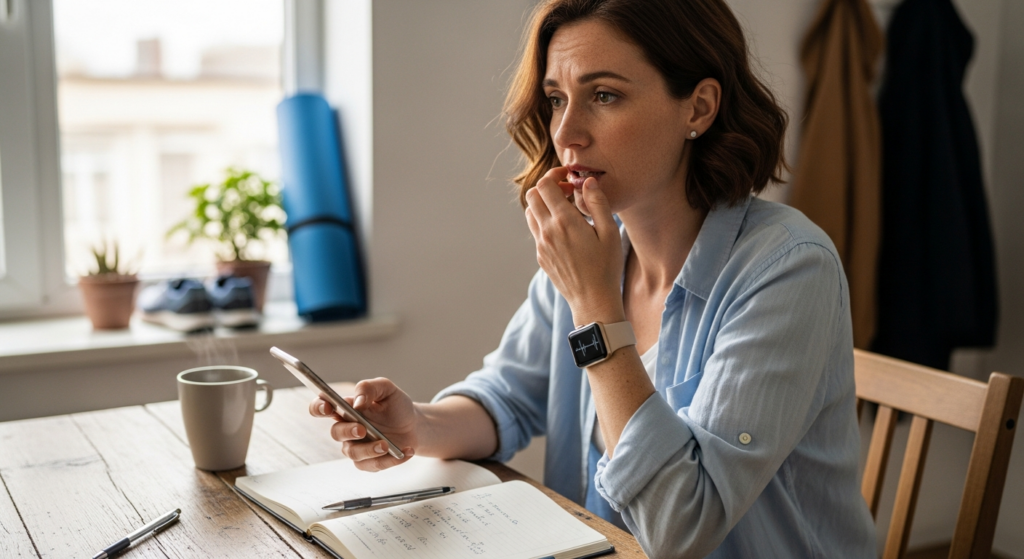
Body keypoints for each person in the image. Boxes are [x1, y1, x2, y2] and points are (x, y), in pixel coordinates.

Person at [310, 0, 877, 556]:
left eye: (604, 95)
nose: (568, 133)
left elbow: (683, 529)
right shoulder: (598, 250)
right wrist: (415, 423)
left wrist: (596, 308)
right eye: (557, 99)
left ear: (698, 109)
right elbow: (508, 398)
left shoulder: (787, 267)